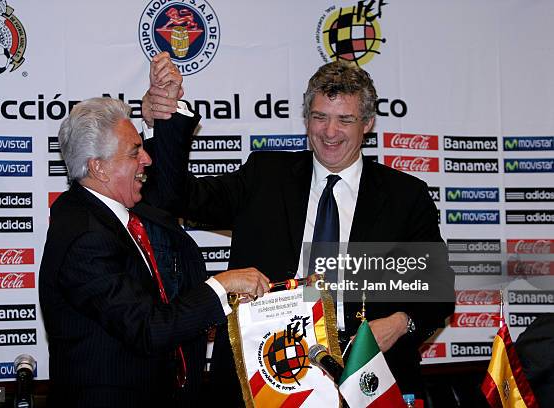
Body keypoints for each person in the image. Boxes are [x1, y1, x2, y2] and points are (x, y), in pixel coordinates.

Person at [142, 54, 454, 404]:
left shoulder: (404, 196)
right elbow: (176, 197)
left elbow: (436, 290)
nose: (330, 132)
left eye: (344, 120)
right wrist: (162, 124)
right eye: (320, 117)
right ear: (307, 118)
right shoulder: (265, 175)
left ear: (366, 123)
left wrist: (399, 323)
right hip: (265, 378)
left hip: (362, 382)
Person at [38, 97, 270, 407]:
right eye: (135, 152)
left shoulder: (114, 213)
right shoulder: (85, 236)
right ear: (100, 168)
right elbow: (148, 327)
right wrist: (220, 286)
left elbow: (157, 300)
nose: (147, 159)